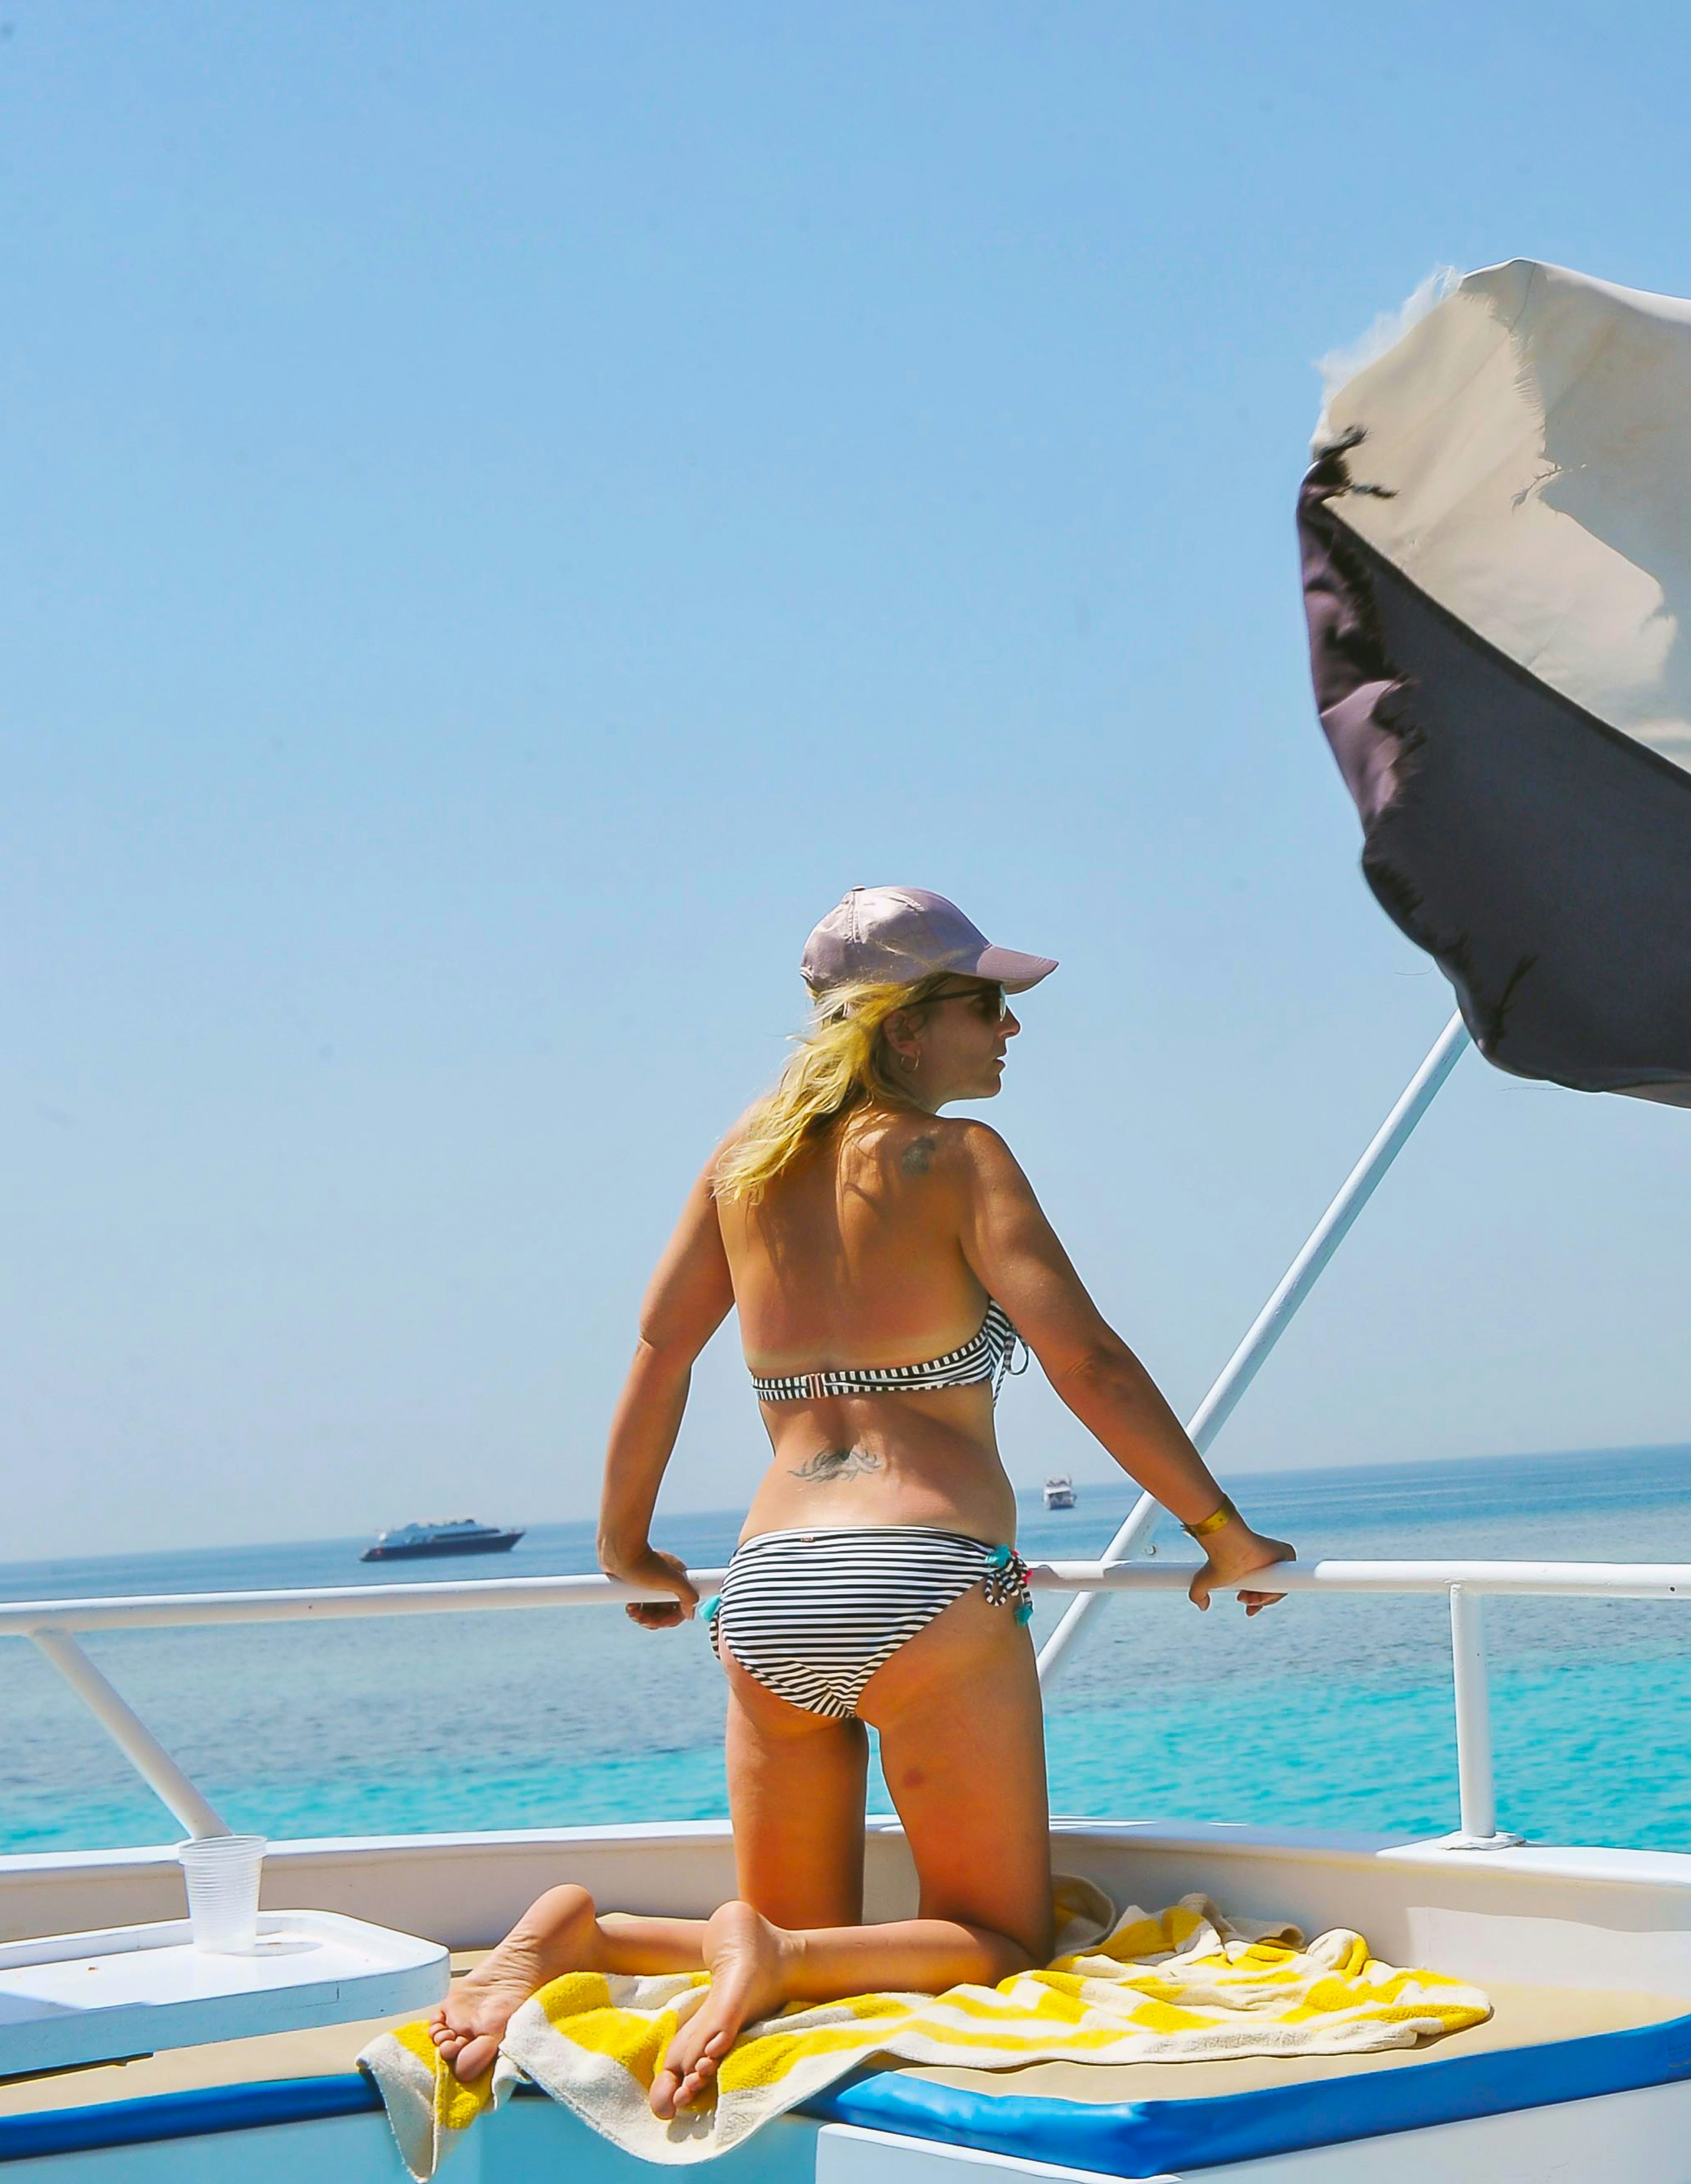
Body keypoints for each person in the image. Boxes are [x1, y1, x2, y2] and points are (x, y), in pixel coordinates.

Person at [427, 887, 1297, 2115]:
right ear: (903, 1029)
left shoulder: (743, 1162)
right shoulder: (957, 1159)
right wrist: (1222, 1533)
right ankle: (745, 1955)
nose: (1011, 1030)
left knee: (808, 1947)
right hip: (926, 1583)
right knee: (996, 1937)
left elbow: (659, 1353)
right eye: (987, 1004)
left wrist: (628, 1549)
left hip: (769, 1592)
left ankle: (599, 1934)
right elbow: (1087, 1360)